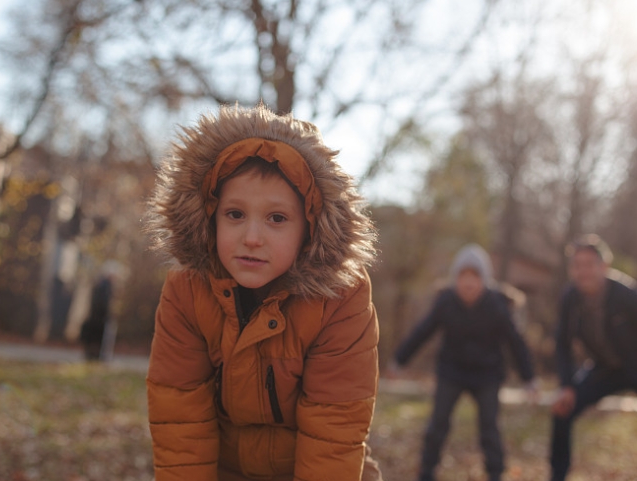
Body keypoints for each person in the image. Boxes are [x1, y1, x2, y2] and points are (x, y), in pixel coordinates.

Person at [145, 104, 382, 480]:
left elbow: (334, 424)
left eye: (276, 219)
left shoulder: (340, 300)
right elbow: (179, 413)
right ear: (210, 218)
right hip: (225, 466)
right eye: (235, 214)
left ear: (308, 229)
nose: (252, 238)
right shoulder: (188, 289)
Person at [390, 244, 535, 481]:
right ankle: (427, 472)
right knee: (438, 424)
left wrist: (529, 379)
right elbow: (423, 331)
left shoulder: (497, 304)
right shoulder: (446, 301)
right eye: (463, 276)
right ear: (455, 279)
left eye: (474, 277)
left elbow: (515, 343)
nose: (468, 283)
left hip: (487, 374)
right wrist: (399, 361)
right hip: (452, 371)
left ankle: (495, 473)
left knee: (489, 427)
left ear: (485, 280)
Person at [549, 234, 637, 481]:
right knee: (562, 409)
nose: (583, 271)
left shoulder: (626, 294)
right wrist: (566, 385)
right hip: (604, 368)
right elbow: (562, 344)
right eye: (577, 265)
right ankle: (558, 475)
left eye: (589, 264)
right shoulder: (570, 298)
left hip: (634, 365)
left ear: (604, 266)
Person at [79, 261, 120, 361]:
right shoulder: (106, 285)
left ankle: (92, 356)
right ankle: (96, 357)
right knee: (99, 339)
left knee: (94, 339)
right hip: (100, 318)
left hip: (95, 317)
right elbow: (103, 302)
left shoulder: (99, 283)